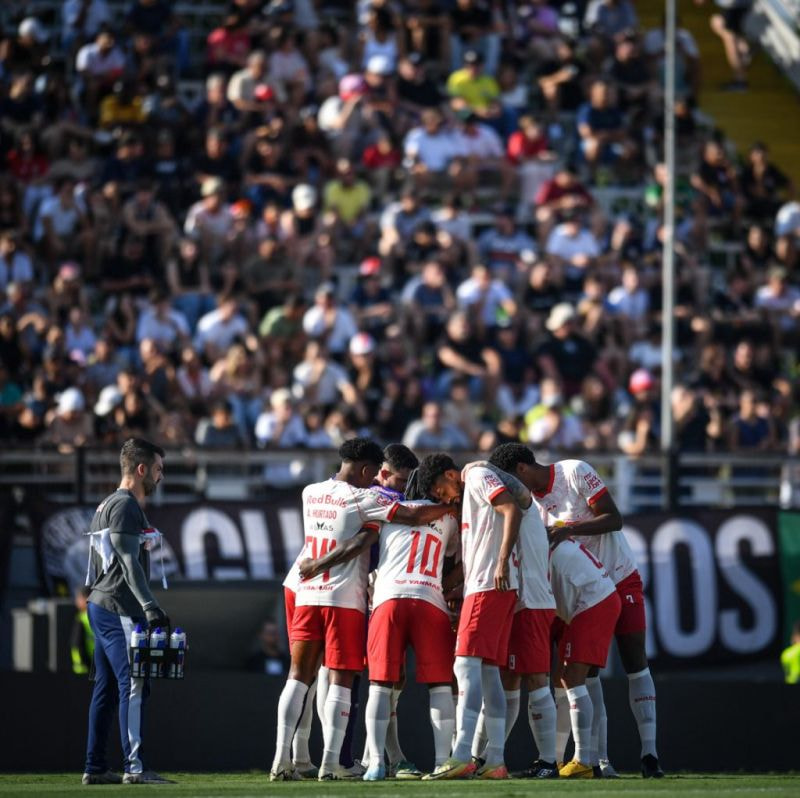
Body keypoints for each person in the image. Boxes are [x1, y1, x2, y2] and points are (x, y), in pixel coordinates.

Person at [270, 438, 451, 781]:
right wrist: (449, 505)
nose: (403, 488)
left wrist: (315, 565)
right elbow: (397, 520)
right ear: (374, 471)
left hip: (304, 587)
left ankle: (289, 758)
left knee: (300, 676)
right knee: (340, 679)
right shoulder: (369, 498)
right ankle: (332, 762)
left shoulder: (310, 492)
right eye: (398, 481)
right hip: (343, 596)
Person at [515, 449, 664, 778]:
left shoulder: (574, 471)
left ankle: (649, 754)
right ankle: (598, 760)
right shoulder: (531, 507)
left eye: (513, 479)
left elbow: (614, 518)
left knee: (634, 661)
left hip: (619, 575)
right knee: (583, 676)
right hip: (583, 593)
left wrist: (570, 529)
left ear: (522, 468)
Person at [485, 443, 622, 779]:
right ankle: (575, 760)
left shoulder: (534, 516)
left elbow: (612, 518)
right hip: (585, 601)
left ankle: (585, 761)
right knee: (570, 679)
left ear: (518, 471)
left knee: (573, 679)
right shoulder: (535, 518)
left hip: (593, 600)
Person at [416, 452, 521, 780]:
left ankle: (461, 753)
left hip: (490, 582)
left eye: (438, 488)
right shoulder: (469, 494)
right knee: (489, 673)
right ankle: (496, 760)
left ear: (450, 474)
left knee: (464, 664)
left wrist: (502, 561)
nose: (441, 497)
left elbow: (511, 507)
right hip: (494, 584)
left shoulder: (474, 477)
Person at [82, 438, 172, 785]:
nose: (160, 477)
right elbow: (128, 562)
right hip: (117, 606)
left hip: (102, 605)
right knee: (134, 683)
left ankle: (94, 766)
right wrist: (150, 606)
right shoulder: (125, 505)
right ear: (141, 469)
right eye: (158, 469)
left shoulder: (111, 502)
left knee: (105, 689)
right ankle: (134, 767)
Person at [71, 586, 95, 676]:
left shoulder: (81, 618)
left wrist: (79, 664)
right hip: (101, 662)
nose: (76, 601)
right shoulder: (100, 617)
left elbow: (76, 644)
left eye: (78, 598)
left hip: (85, 665)